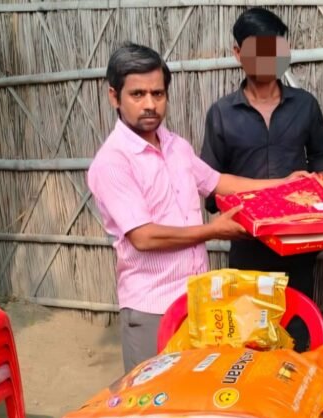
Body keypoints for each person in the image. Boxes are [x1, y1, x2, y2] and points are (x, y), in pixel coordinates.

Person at [87, 43, 303, 372]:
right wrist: (213, 230)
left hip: (197, 302)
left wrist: (283, 184)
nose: (150, 104)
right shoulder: (112, 162)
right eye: (138, 94)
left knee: (193, 391)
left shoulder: (176, 146)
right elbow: (144, 237)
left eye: (158, 94)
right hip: (152, 308)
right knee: (154, 394)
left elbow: (218, 182)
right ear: (114, 97)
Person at [201, 8, 323, 349]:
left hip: (298, 245)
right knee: (249, 339)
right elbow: (210, 185)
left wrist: (317, 188)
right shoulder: (221, 114)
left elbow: (321, 158)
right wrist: (251, 209)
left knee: (298, 334)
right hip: (247, 246)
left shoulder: (305, 105)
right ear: (237, 53)